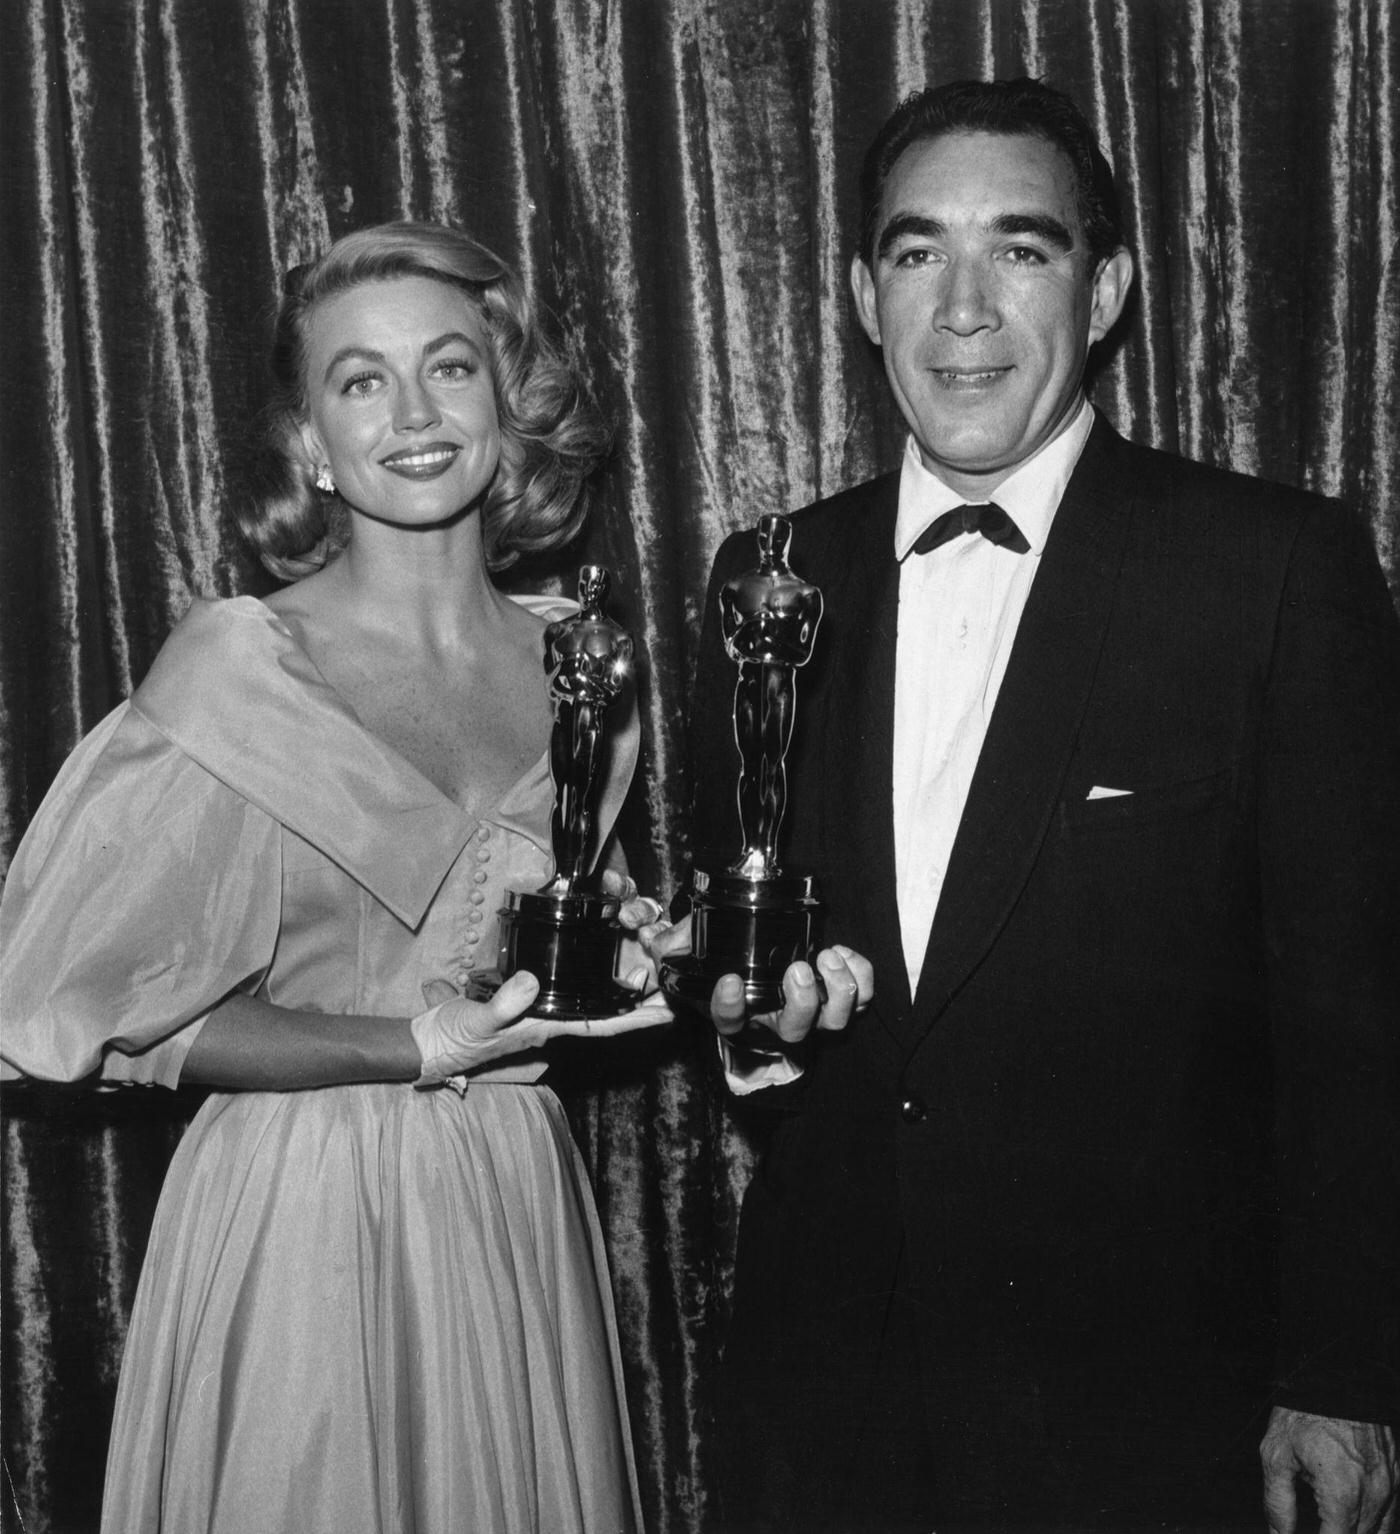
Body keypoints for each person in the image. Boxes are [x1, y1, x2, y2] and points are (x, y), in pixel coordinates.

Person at [667, 79, 1400, 1531]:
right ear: (864, 297)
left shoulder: (1269, 569)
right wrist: (749, 1027)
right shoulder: (769, 577)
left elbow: (1359, 1010)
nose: (963, 308)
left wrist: (1346, 1369)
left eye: (1020, 248)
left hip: (1150, 1406)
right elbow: (740, 943)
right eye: (917, 252)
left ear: (1106, 289)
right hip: (831, 1394)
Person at [0, 221, 673, 1533]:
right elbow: (85, 1008)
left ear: (507, 405)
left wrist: (648, 951)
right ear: (311, 441)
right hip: (298, 1217)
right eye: (362, 381)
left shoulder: (587, 664)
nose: (413, 415)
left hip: (511, 1203)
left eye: (450, 368)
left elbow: (554, 938)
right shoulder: (242, 670)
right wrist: (409, 1045)